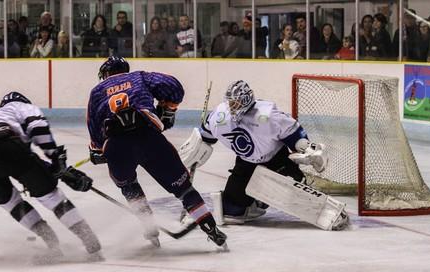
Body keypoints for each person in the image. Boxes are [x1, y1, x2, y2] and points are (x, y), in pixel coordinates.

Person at [86, 56, 227, 248]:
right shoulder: (139, 77)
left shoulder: (97, 92)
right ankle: (211, 228)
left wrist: (97, 150)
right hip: (149, 138)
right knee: (183, 188)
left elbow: (93, 127)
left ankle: (149, 227)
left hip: (117, 146)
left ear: (106, 73)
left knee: (128, 185)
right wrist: (167, 109)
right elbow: (173, 86)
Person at [178, 80, 349, 231]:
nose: (232, 107)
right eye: (230, 103)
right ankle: (257, 202)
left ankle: (325, 207)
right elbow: (206, 137)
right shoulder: (219, 116)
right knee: (231, 211)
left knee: (293, 190)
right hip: (246, 164)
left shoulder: (267, 114)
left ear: (246, 101)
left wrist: (308, 150)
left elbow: (295, 135)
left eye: (236, 104)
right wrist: (196, 149)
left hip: (276, 160)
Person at [0, 92, 102, 261]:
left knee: (13, 204)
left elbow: (21, 157)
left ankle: (52, 244)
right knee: (50, 196)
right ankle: (90, 241)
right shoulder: (22, 106)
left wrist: (50, 169)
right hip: (7, 147)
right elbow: (37, 128)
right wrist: (56, 159)